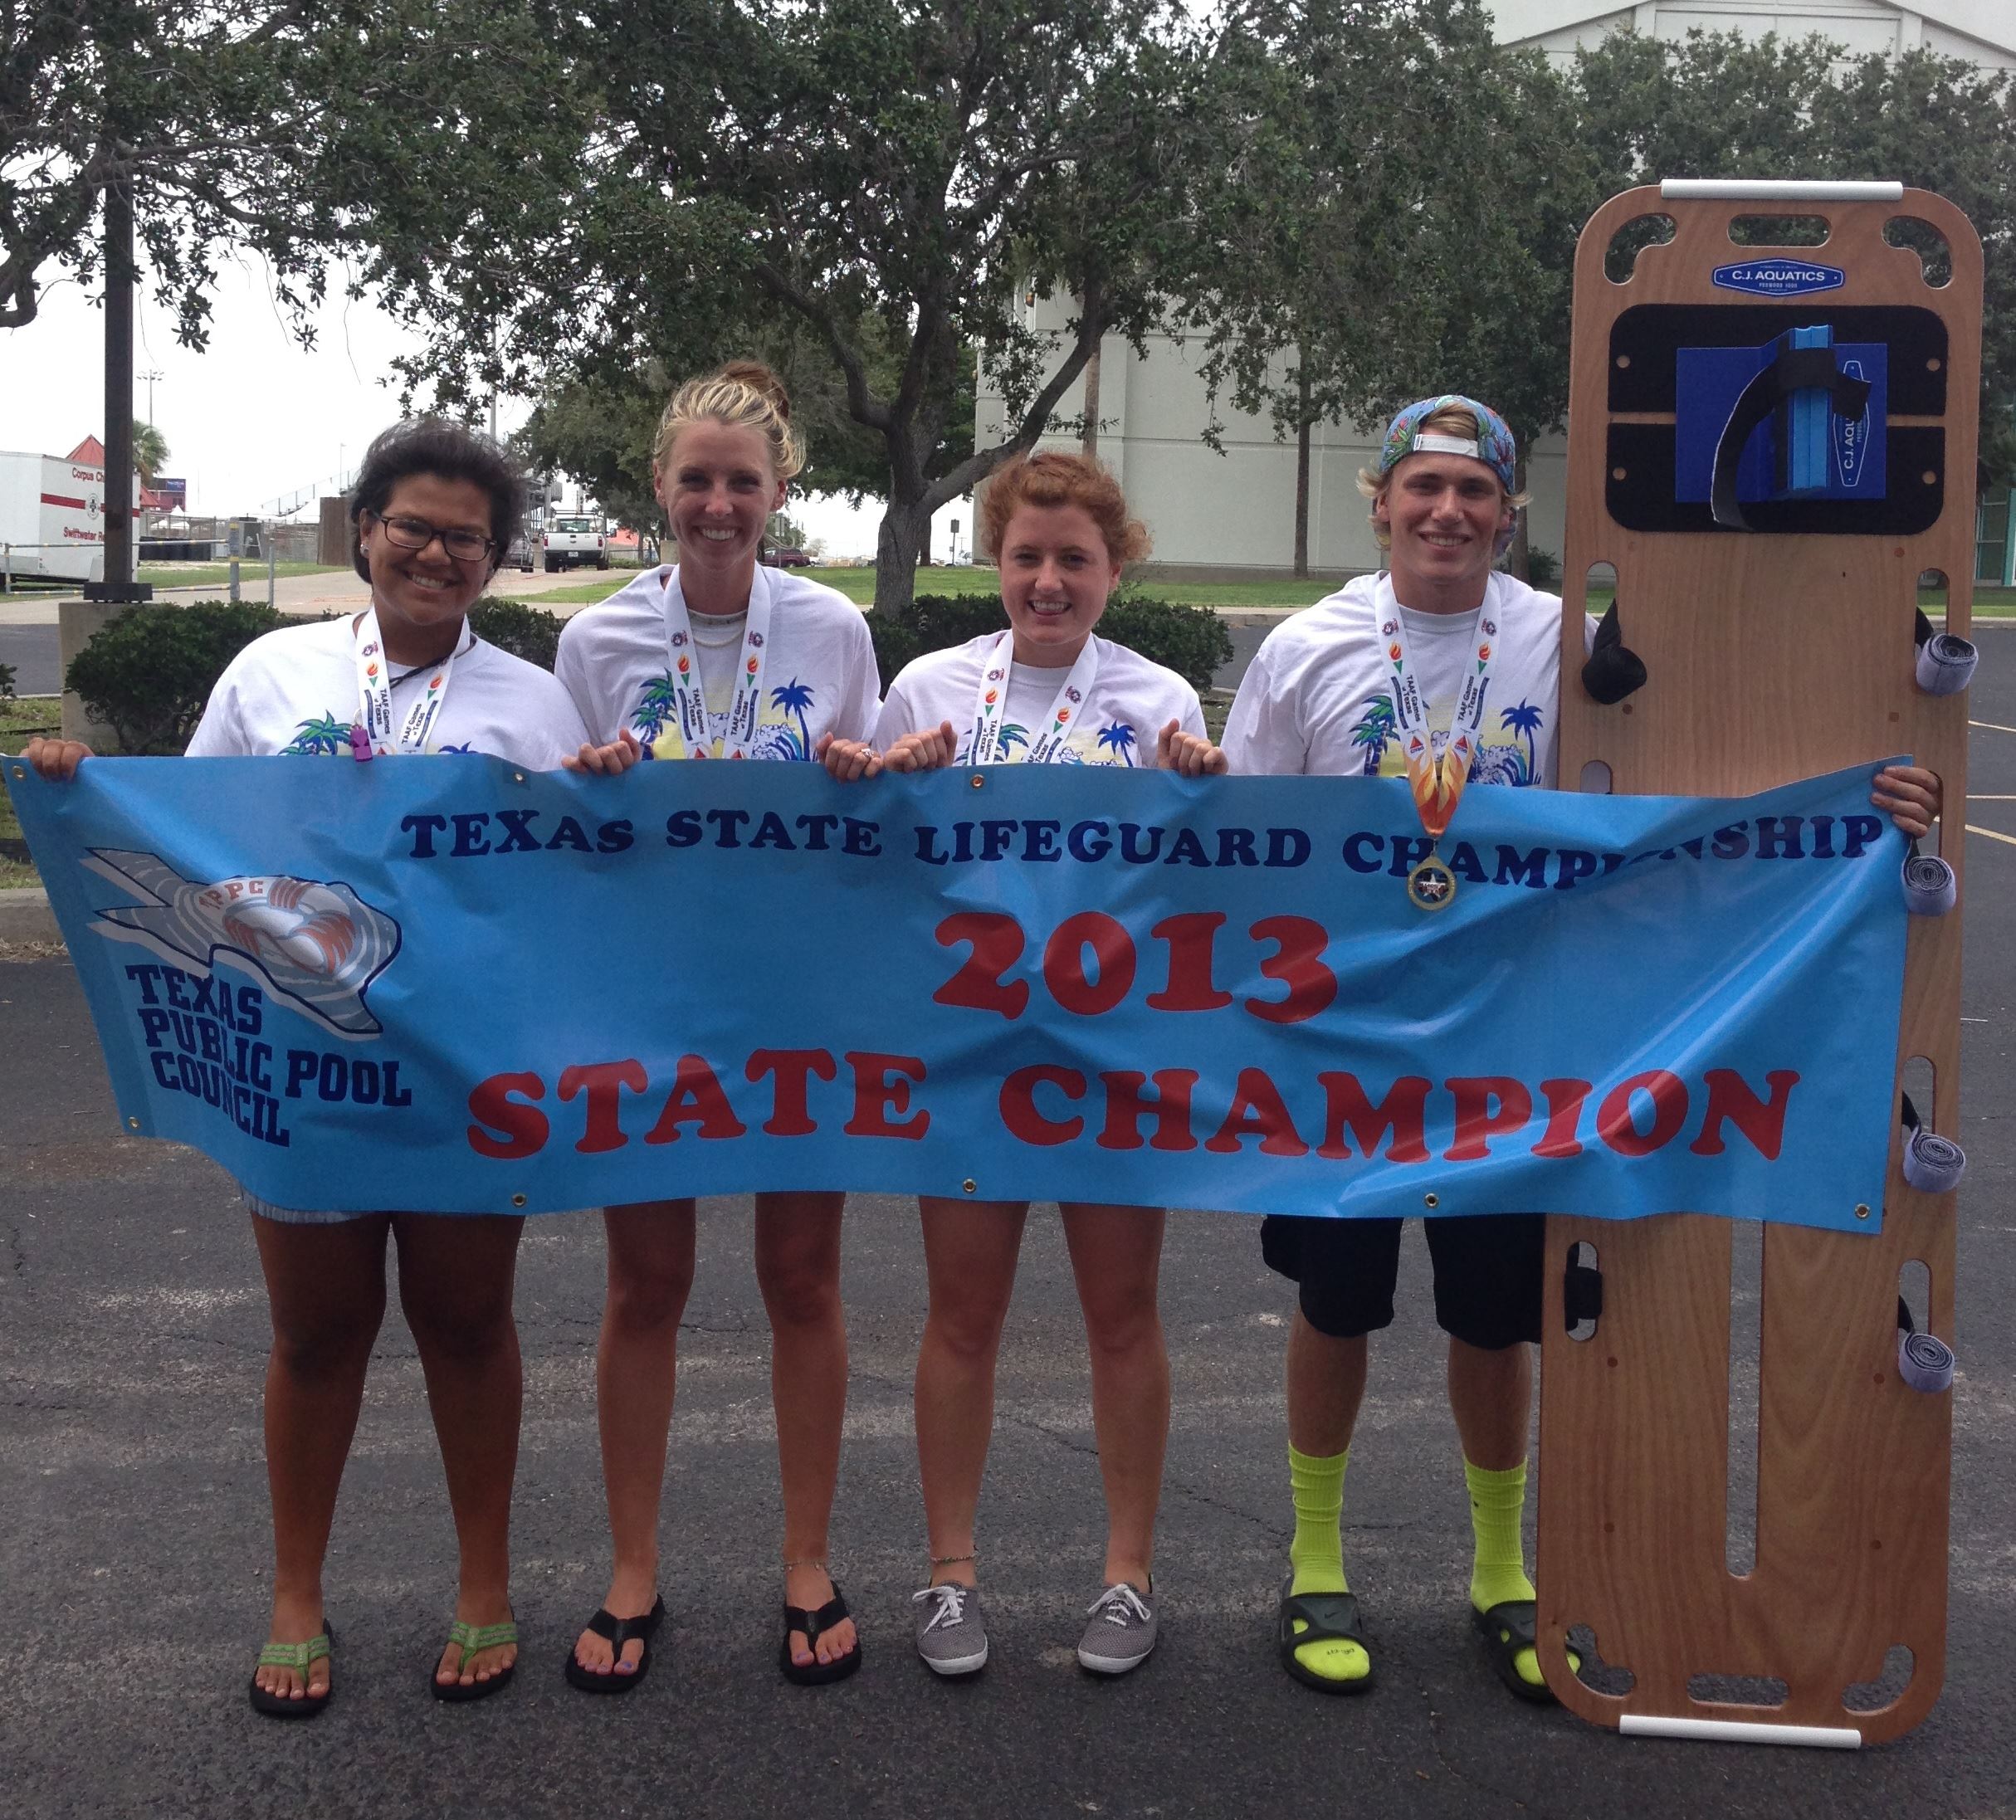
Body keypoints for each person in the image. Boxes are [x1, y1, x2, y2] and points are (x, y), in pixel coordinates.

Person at [1223, 395, 1942, 1704]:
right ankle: (1314, 1559)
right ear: (1380, 502)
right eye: (1422, 486)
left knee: (1494, 1317)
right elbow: (1238, 839)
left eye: (1474, 492)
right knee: (1335, 1302)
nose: (1446, 511)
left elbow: (1710, 765)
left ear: (1508, 513)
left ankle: (1504, 1572)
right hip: (1342, 1040)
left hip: (1519, 1044)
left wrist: (1871, 788)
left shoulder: (1568, 640)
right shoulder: (1304, 647)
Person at [27, 418, 592, 1715]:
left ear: (495, 558)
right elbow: (185, 828)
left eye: (466, 538)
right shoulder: (270, 670)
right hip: (301, 1069)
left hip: (464, 1072)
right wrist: (78, 782)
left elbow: (578, 885)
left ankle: (485, 1582)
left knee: (467, 1325)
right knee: (316, 1333)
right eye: (413, 527)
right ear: (366, 531)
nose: (435, 554)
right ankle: (295, 1591)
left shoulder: (533, 700)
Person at [821, 450, 1224, 1677]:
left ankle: (1127, 1573)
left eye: (1074, 560)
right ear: (994, 561)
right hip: (970, 1046)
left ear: (1115, 569)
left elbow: (1196, 884)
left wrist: (1200, 792)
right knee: (962, 1315)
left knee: (1122, 1314)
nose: (1049, 582)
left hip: (1111, 1047)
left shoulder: (1159, 698)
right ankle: (949, 1574)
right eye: (1026, 557)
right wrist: (885, 782)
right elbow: (876, 865)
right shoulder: (928, 684)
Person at [552, 360, 882, 1690]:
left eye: (741, 480)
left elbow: (870, 819)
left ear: (778, 488)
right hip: (647, 999)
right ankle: (633, 1566)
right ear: (659, 486)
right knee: (647, 1286)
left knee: (801, 1280)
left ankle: (806, 1558)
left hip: (799, 996)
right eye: (695, 478)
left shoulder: (832, 629)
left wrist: (860, 773)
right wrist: (588, 784)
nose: (717, 502)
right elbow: (562, 838)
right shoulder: (594, 643)